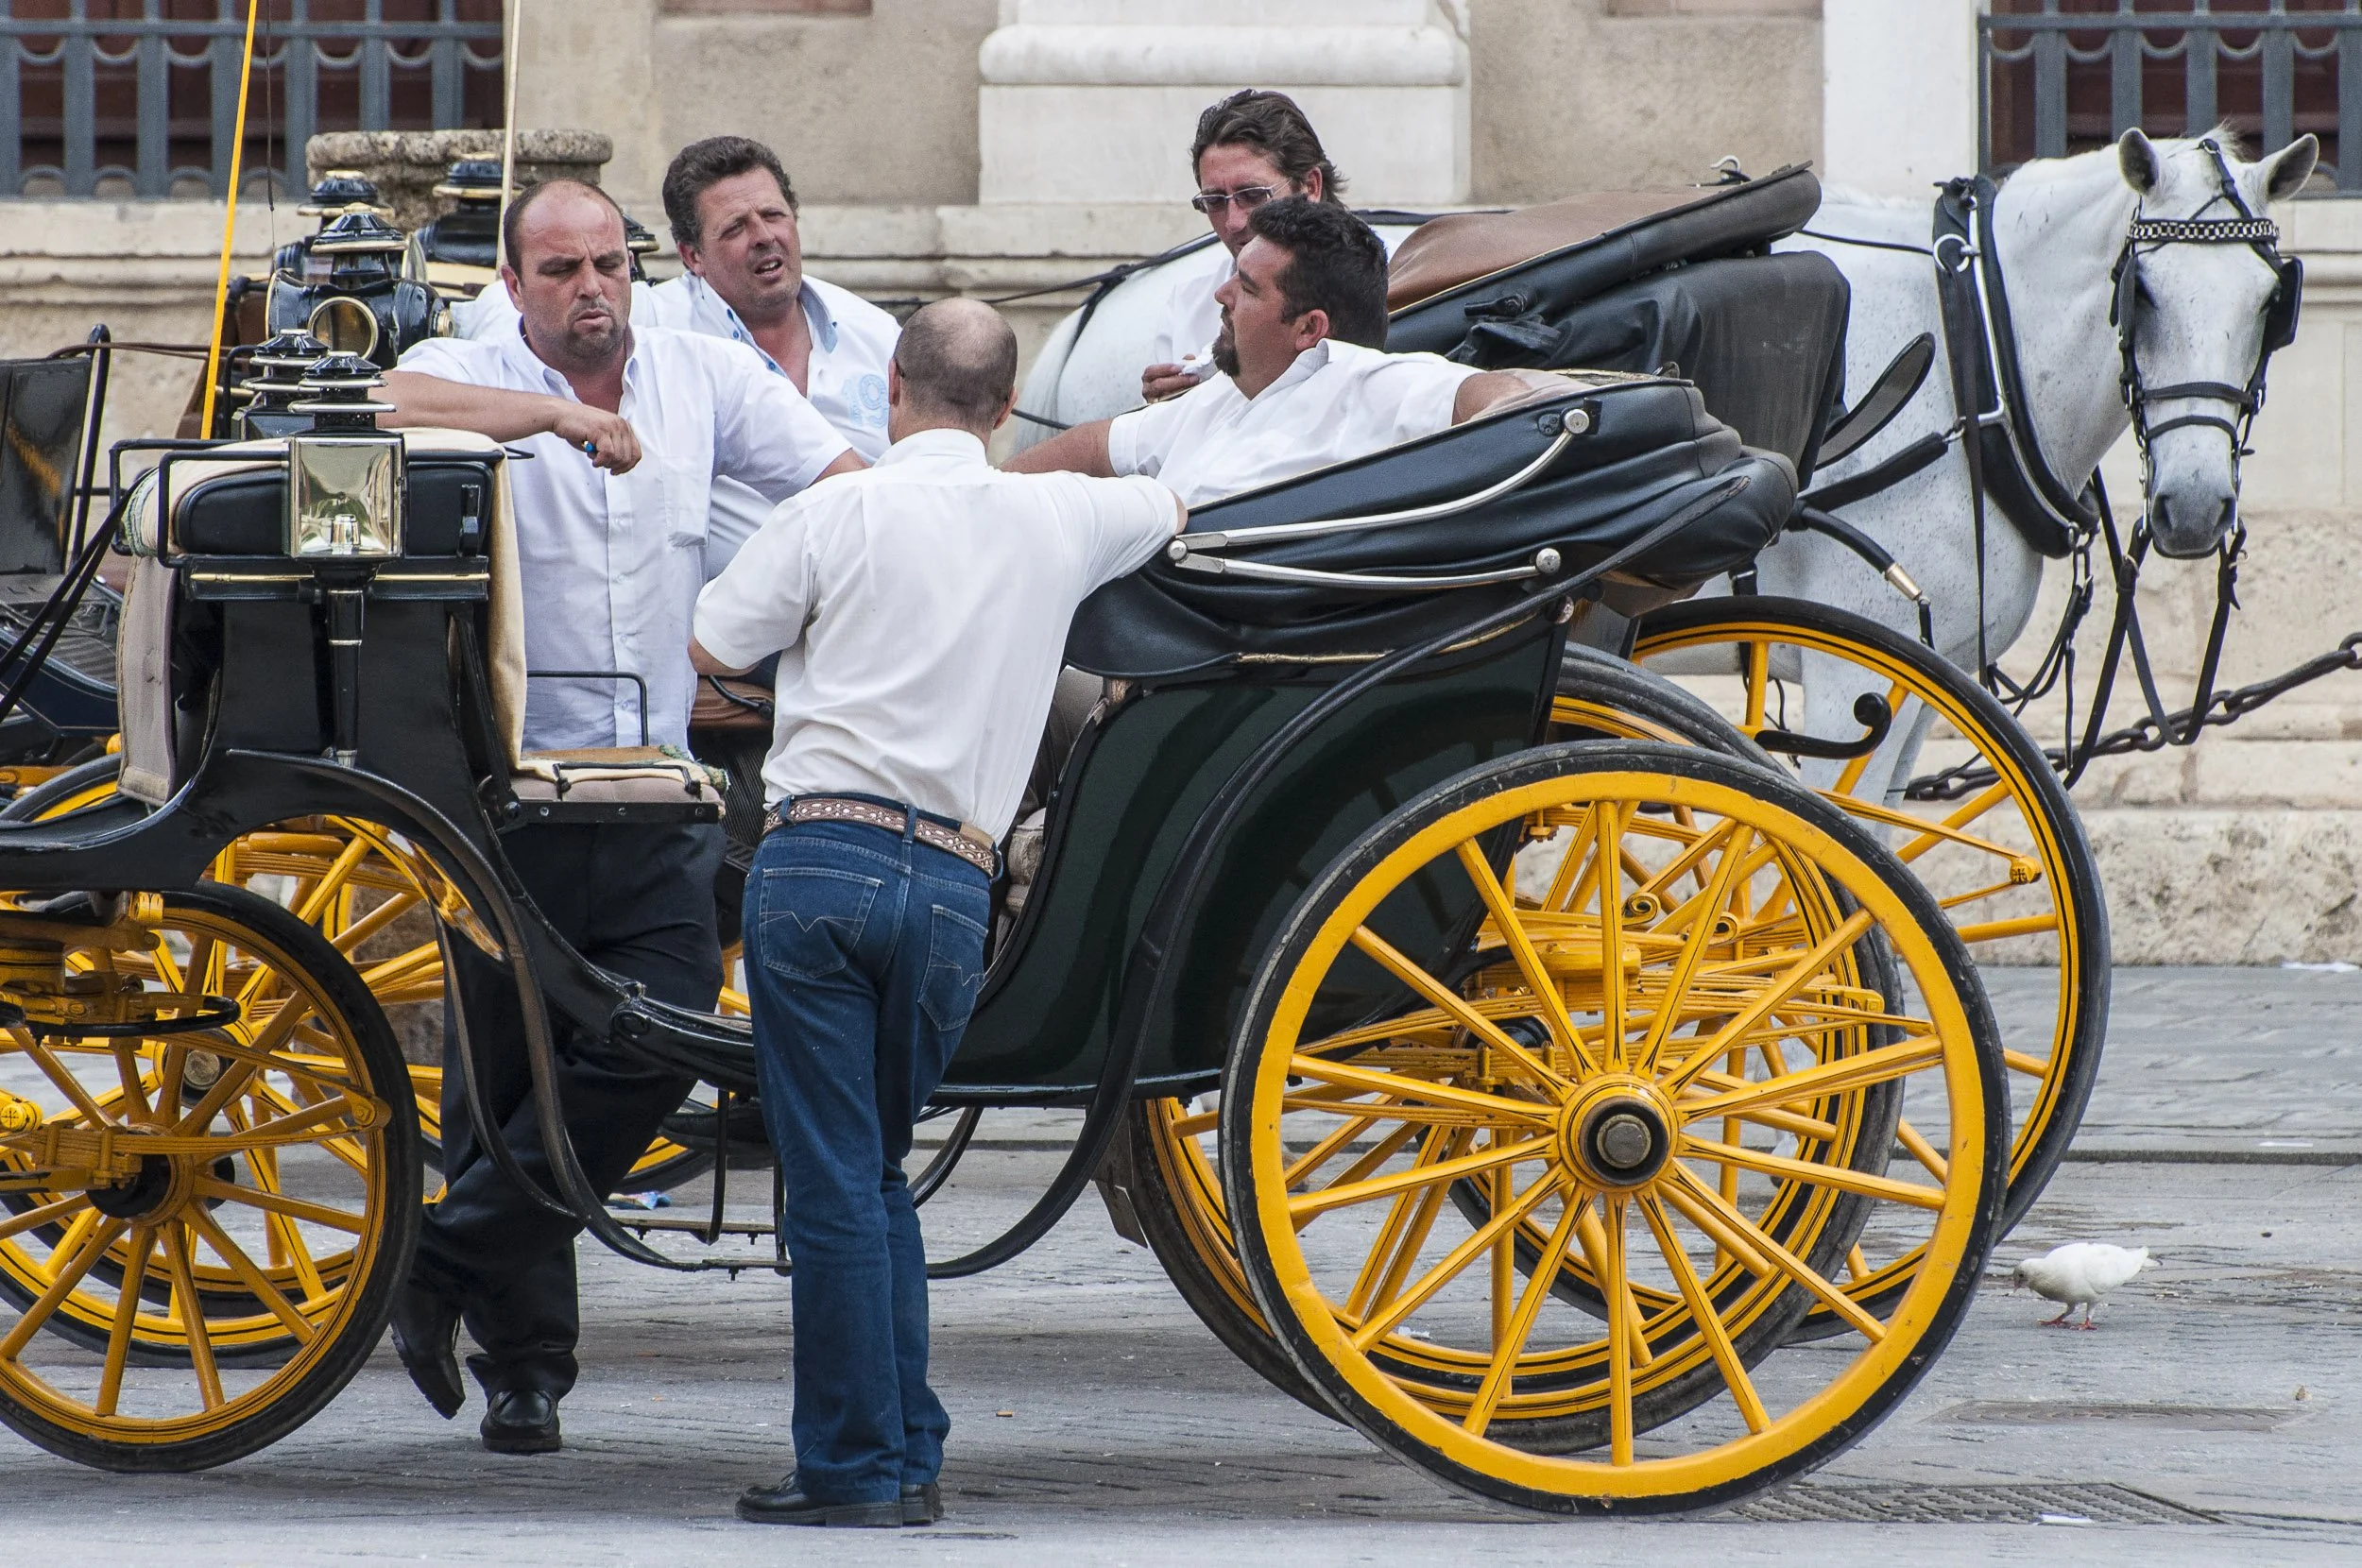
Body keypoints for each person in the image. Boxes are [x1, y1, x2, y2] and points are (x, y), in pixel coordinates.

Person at [377, 178, 864, 1457]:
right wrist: (544, 416)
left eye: (609, 263)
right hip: (504, 793)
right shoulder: (462, 363)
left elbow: (841, 478)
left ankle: (436, 1259)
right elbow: (380, 407)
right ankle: (525, 1369)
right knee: (500, 1068)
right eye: (560, 270)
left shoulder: (706, 376)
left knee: (665, 1029)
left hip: (655, 788)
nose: (591, 288)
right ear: (514, 280)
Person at [689, 298, 1184, 1528]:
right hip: (956, 890)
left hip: (820, 866)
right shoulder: (1055, 516)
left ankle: (855, 1469)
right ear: (1006, 408)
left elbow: (711, 641)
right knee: (873, 1176)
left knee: (836, 1182)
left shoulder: (834, 510)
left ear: (893, 392)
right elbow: (1177, 498)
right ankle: (905, 1449)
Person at [456, 138, 897, 571]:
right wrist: (551, 404)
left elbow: (903, 475)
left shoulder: (874, 332)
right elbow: (496, 319)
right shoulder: (652, 319)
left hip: (854, 604)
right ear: (692, 257)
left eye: (773, 215)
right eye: (735, 228)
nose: (764, 237)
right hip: (724, 631)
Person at [1009, 197, 1554, 504]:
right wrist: (972, 494)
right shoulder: (1224, 395)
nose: (1221, 297)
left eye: (1246, 289)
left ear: (1309, 330)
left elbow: (1506, 396)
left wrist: (1508, 424)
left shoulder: (1359, 379)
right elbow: (1094, 447)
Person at [1139, 89, 1349, 404]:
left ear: (1310, 187)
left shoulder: (1392, 276)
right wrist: (1167, 414)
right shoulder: (1186, 309)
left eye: (1252, 195)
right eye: (1214, 201)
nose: (1234, 222)